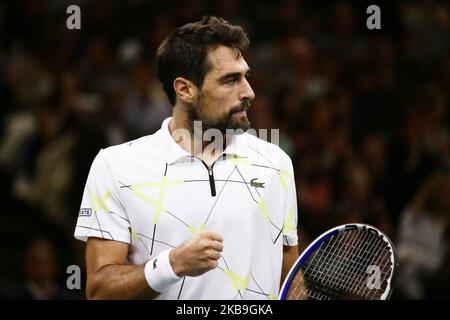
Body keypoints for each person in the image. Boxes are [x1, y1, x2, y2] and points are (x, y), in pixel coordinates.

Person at [74, 16, 300, 300]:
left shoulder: (275, 163)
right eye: (230, 80)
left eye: (245, 77)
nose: (248, 93)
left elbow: (288, 277)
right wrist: (172, 265)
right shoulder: (115, 166)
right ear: (185, 90)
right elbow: (99, 291)